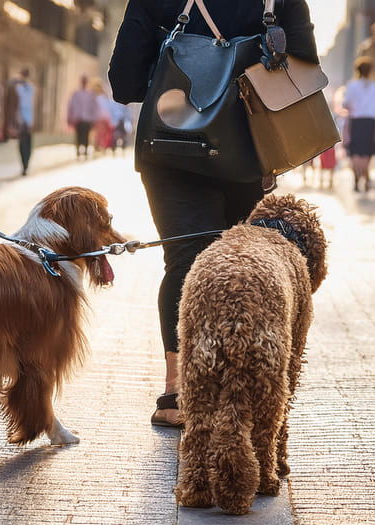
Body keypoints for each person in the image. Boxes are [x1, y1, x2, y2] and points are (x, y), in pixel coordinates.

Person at [108, 0, 319, 427]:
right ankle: (235, 386)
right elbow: (305, 67)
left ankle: (179, 392)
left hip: (170, 153)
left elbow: (124, 82)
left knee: (186, 261)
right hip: (245, 152)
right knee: (240, 267)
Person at [343, 57, 375, 192]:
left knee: (355, 151)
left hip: (356, 121)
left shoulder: (351, 86)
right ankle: (365, 178)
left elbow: (345, 104)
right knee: (367, 151)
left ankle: (356, 177)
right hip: (371, 122)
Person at [5, 67, 36, 176]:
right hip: (21, 118)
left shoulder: (30, 88)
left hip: (29, 119)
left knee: (27, 144)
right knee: (22, 144)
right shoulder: (18, 88)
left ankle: (26, 164)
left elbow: (30, 104)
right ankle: (24, 165)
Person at [67, 75, 99, 159]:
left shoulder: (91, 94)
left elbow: (94, 107)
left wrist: (94, 119)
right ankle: (78, 150)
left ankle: (85, 150)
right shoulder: (76, 94)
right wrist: (70, 117)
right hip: (78, 119)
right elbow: (71, 106)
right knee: (79, 135)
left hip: (87, 119)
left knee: (86, 135)